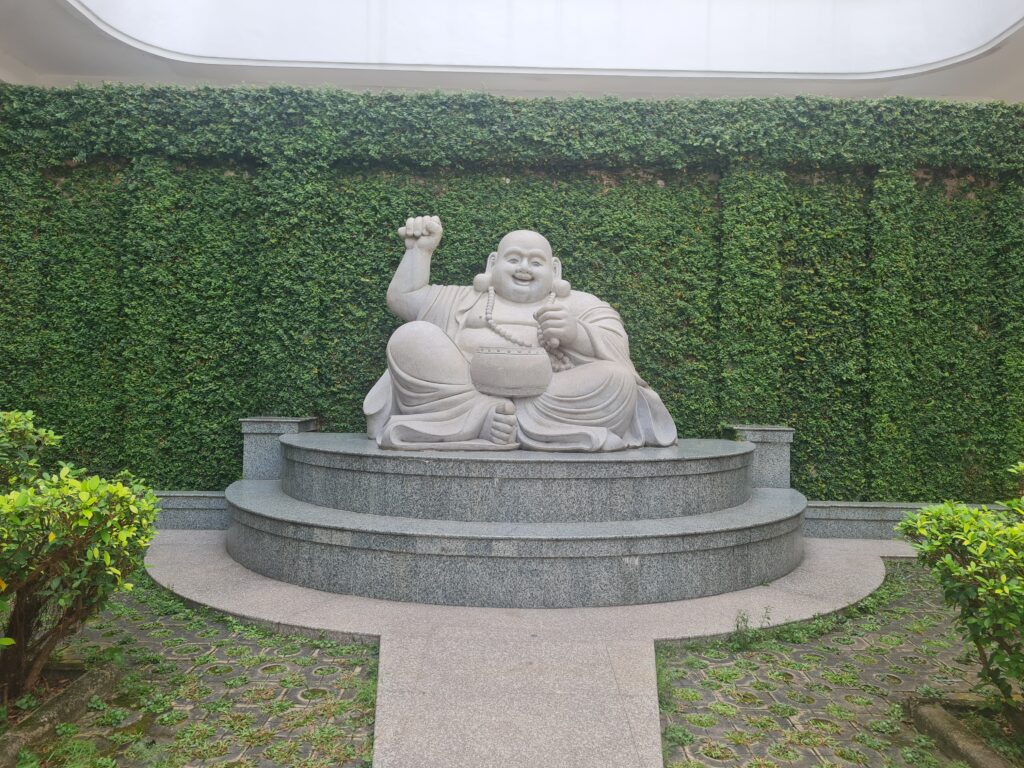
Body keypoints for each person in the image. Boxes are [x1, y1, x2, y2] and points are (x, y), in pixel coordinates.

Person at [363, 215, 678, 451]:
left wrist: (576, 333)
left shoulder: (580, 304)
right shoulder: (460, 298)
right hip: (463, 391)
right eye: (513, 259)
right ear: (493, 264)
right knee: (411, 336)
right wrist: (420, 251)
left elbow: (618, 350)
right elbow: (403, 298)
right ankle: (487, 418)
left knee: (616, 379)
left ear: (554, 270)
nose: (523, 267)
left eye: (535, 261)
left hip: (549, 397)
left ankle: (502, 420)